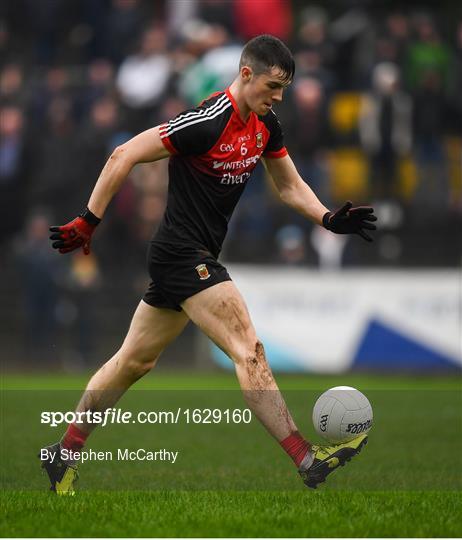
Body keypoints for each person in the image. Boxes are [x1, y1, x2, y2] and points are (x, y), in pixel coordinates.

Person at [42, 35, 376, 494]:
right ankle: (306, 457)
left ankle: (63, 453)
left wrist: (326, 217)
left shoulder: (265, 124)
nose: (279, 97)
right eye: (274, 86)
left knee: (132, 363)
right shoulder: (204, 121)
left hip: (191, 256)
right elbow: (125, 154)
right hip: (182, 253)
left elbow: (289, 186)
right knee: (248, 349)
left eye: (284, 89)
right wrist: (89, 219)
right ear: (245, 74)